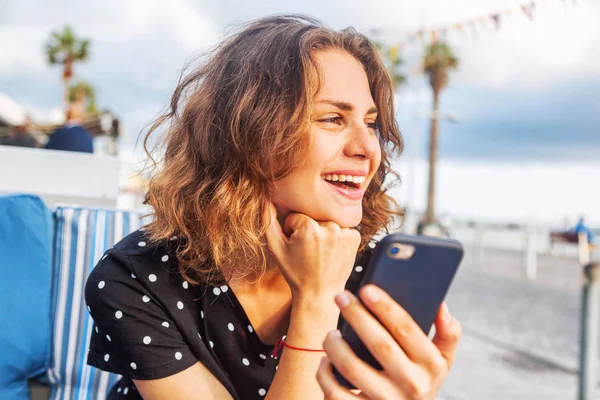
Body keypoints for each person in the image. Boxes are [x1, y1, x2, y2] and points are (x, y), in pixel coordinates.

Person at [85, 15, 461, 400]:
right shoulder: (135, 280)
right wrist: (315, 301)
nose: (367, 149)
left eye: (371, 123)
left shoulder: (371, 274)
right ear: (249, 133)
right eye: (333, 119)